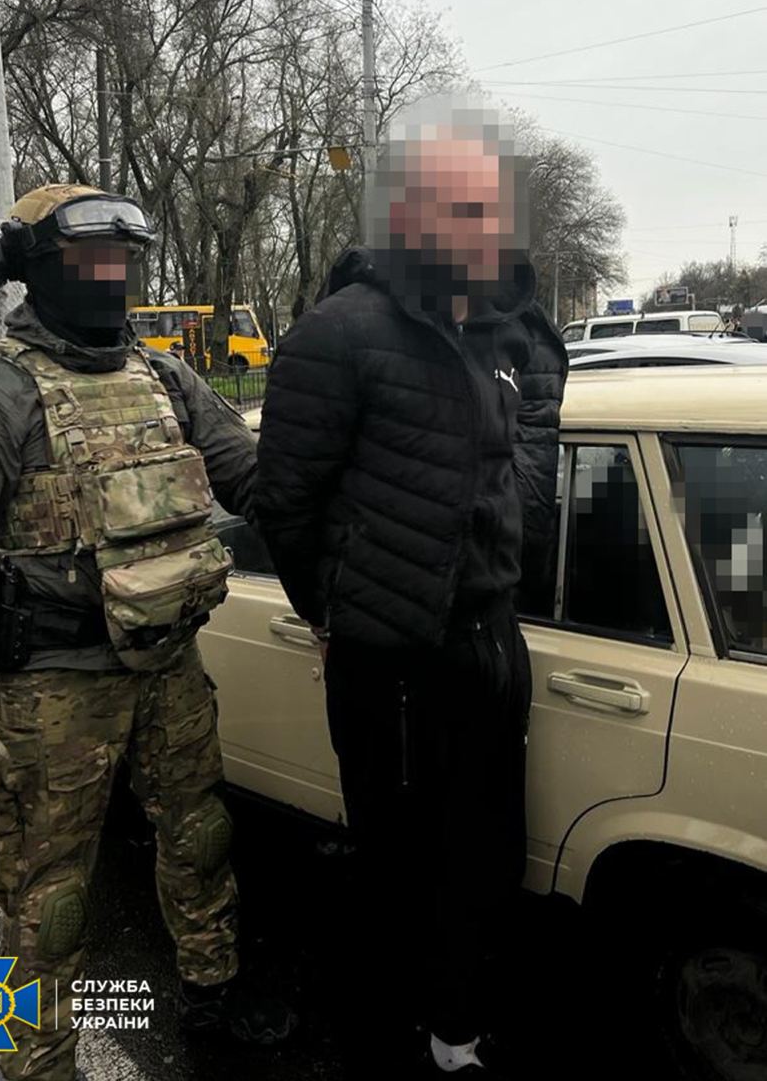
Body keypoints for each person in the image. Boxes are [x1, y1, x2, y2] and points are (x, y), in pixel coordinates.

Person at [0, 184, 295, 1081]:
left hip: (169, 665)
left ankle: (211, 992)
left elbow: (256, 483)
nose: (109, 277)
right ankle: (31, 1060)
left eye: (121, 259)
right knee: (43, 897)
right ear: (35, 270)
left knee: (199, 838)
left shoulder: (163, 377)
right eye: (89, 260)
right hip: (55, 685)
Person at [255, 99, 568, 1078]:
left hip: (490, 645)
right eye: (457, 210)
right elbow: (284, 506)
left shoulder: (495, 338)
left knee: (488, 849)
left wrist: (537, 408)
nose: (482, 231)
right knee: (401, 862)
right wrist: (333, 616)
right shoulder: (337, 335)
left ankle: (456, 1027)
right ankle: (390, 1033)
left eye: (491, 210)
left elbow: (518, 484)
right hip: (390, 663)